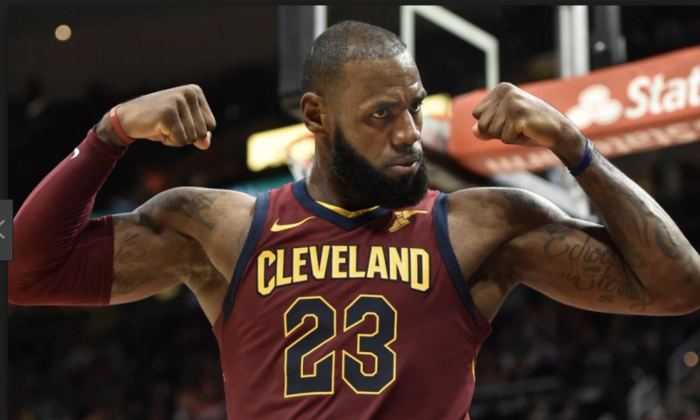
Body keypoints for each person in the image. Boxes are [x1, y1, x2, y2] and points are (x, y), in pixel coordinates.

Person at [8, 20, 700, 420]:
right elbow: (26, 272)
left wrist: (574, 145)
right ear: (316, 116)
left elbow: (679, 285)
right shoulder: (223, 228)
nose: (409, 133)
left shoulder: (479, 226)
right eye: (382, 115)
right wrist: (108, 134)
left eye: (414, 106)